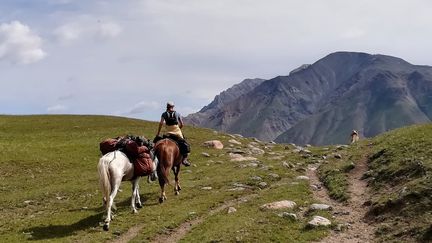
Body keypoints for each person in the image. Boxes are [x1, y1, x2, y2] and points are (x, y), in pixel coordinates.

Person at [156, 101, 191, 166]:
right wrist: (178, 129)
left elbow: (161, 123)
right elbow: (182, 124)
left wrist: (158, 133)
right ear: (173, 107)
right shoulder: (177, 113)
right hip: (177, 132)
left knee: (156, 142)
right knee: (185, 144)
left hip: (168, 133)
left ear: (167, 106)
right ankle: (184, 159)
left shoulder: (164, 114)